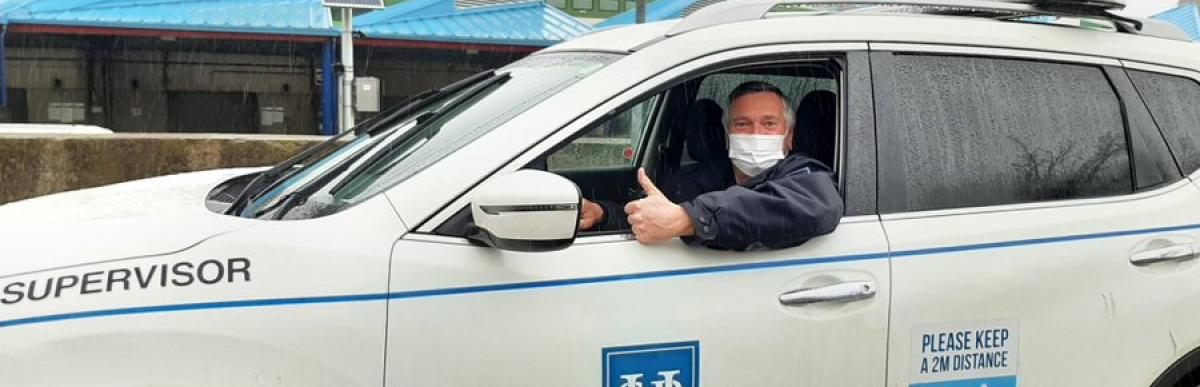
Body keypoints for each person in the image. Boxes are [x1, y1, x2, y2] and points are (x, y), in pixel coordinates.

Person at [578, 81, 843, 251]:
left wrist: (690, 219)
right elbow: (654, 216)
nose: (756, 133)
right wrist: (603, 215)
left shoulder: (805, 175)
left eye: (769, 124)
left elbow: (818, 207)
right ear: (727, 136)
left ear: (789, 137)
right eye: (742, 124)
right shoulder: (693, 181)